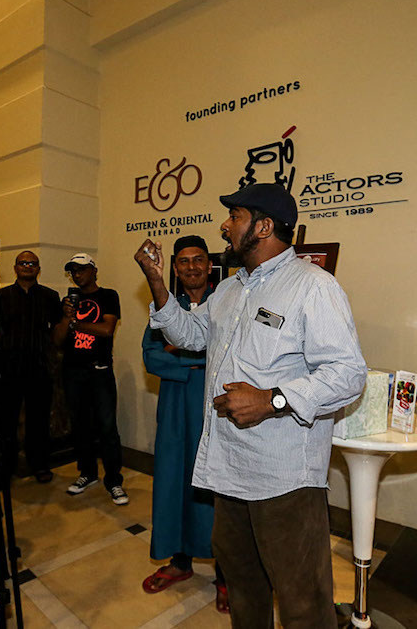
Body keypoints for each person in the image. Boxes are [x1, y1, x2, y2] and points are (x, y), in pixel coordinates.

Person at [135, 183, 368, 628]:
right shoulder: (229, 290)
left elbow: (347, 374)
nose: (224, 226)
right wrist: (158, 283)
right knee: (244, 589)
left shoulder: (313, 286)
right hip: (228, 472)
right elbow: (190, 335)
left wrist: (272, 399)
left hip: (284, 480)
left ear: (263, 227)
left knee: (302, 603)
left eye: (235, 216)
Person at [140, 236, 227, 612]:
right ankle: (180, 561)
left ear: (210, 265)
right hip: (175, 407)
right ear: (174, 267)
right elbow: (151, 357)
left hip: (214, 408)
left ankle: (225, 574)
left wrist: (180, 353)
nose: (192, 267)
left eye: (199, 260)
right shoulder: (165, 306)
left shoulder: (225, 303)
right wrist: (198, 360)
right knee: (175, 482)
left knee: (216, 489)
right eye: (184, 261)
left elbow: (228, 356)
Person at [53, 252, 127, 504]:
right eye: (74, 270)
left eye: (82, 269)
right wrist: (67, 317)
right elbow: (57, 340)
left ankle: (114, 481)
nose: (77, 274)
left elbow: (106, 329)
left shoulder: (108, 296)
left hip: (99, 370)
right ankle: (87, 473)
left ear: (94, 271)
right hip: (73, 371)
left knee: (107, 427)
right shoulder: (67, 302)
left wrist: (75, 324)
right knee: (80, 426)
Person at [0, 250, 61, 483]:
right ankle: (5, 467)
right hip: (8, 367)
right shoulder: (1, 296)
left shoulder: (50, 296)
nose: (28, 266)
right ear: (15, 268)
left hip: (39, 366)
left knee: (39, 420)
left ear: (38, 269)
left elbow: (57, 330)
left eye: (32, 263)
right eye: (23, 263)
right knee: (6, 421)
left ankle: (39, 465)